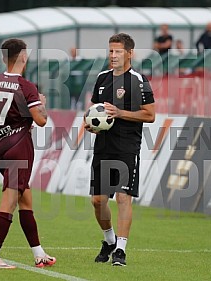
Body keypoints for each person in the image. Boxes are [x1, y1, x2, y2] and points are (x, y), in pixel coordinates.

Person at [0, 38, 56, 269]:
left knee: (25, 199)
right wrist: (41, 103)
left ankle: (39, 253)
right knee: (10, 200)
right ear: (23, 57)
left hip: (0, 144)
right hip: (18, 147)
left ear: (4, 58)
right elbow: (41, 120)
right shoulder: (26, 86)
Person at [84, 33, 155, 266]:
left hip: (127, 148)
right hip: (103, 147)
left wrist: (120, 113)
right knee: (98, 201)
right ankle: (109, 240)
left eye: (117, 51)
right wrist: (91, 126)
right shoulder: (102, 78)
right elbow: (95, 111)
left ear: (129, 53)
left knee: (124, 198)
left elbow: (150, 114)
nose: (112, 55)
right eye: (110, 51)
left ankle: (121, 250)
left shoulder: (138, 81)